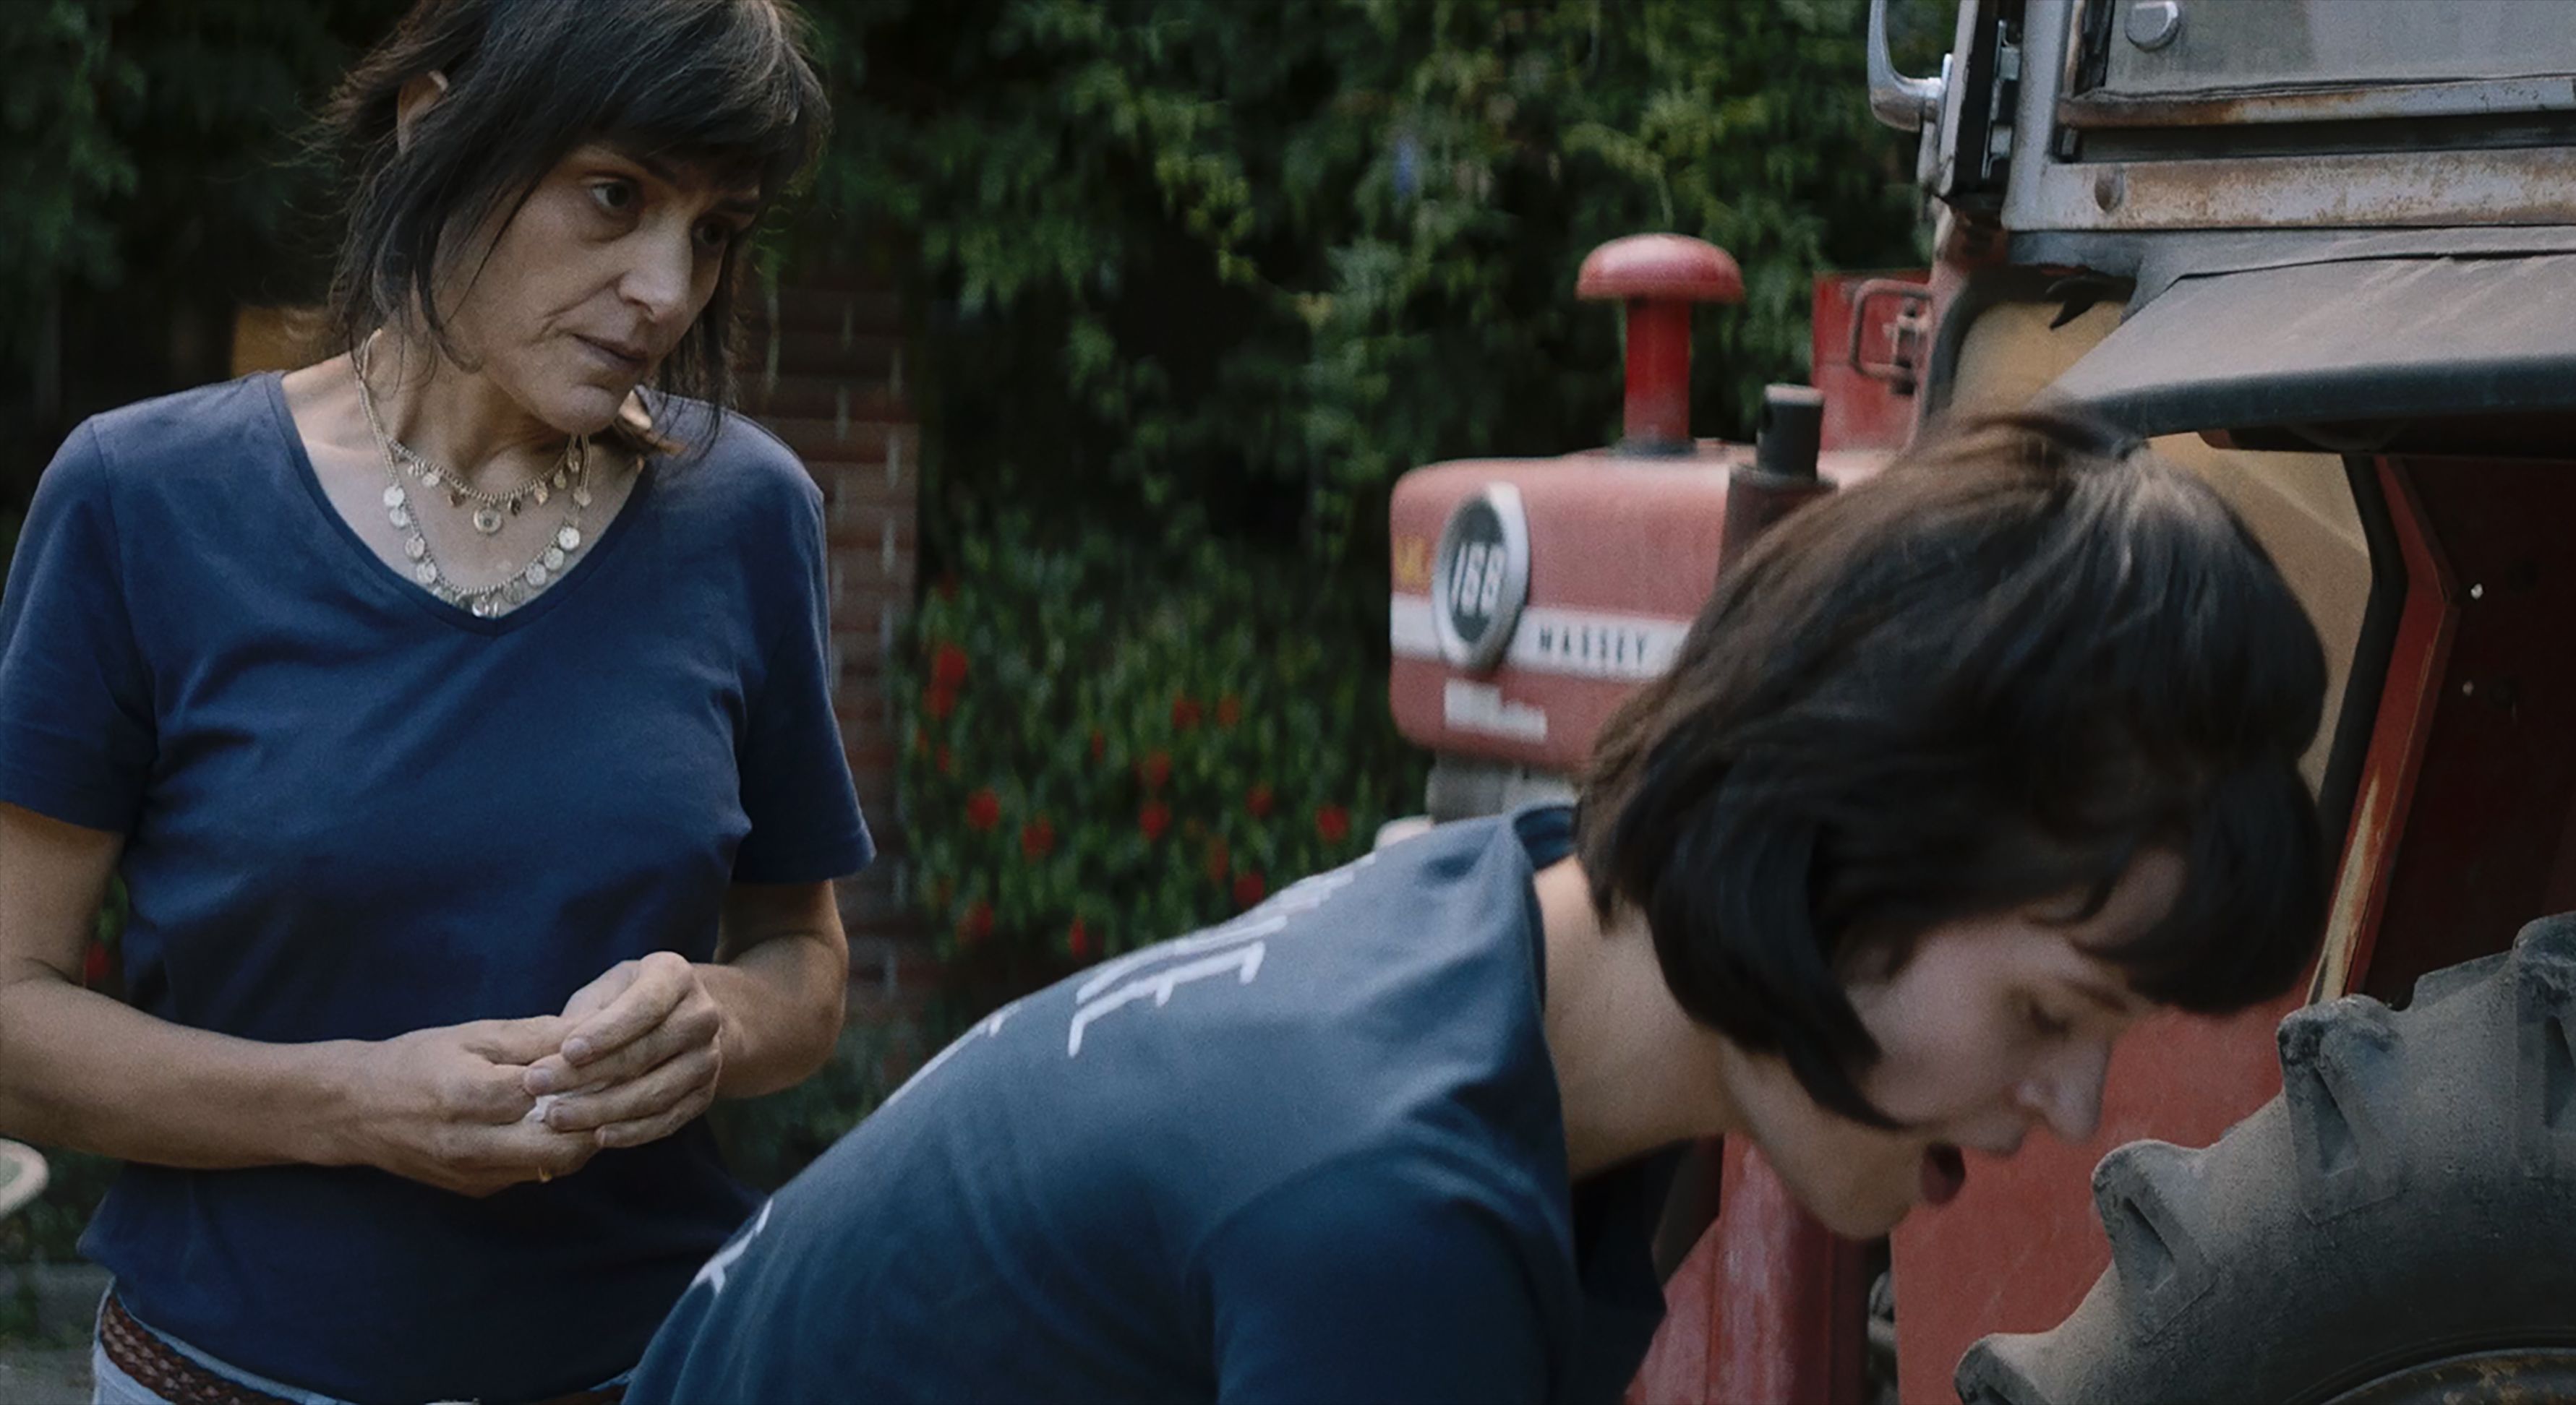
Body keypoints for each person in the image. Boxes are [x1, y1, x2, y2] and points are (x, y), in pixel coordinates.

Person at [626, 411, 2332, 1403]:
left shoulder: (1492, 930)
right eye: (2048, 1012)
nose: (2072, 1111)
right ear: (1835, 846)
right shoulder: (1395, 1214)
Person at [0, 2, 860, 1401]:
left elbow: (802, 965)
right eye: (616, 196)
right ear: (434, 126)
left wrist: (711, 1020)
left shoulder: (747, 515)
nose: (665, 288)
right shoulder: (142, 502)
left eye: (714, 232)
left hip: (646, 1369)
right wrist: (349, 1105)